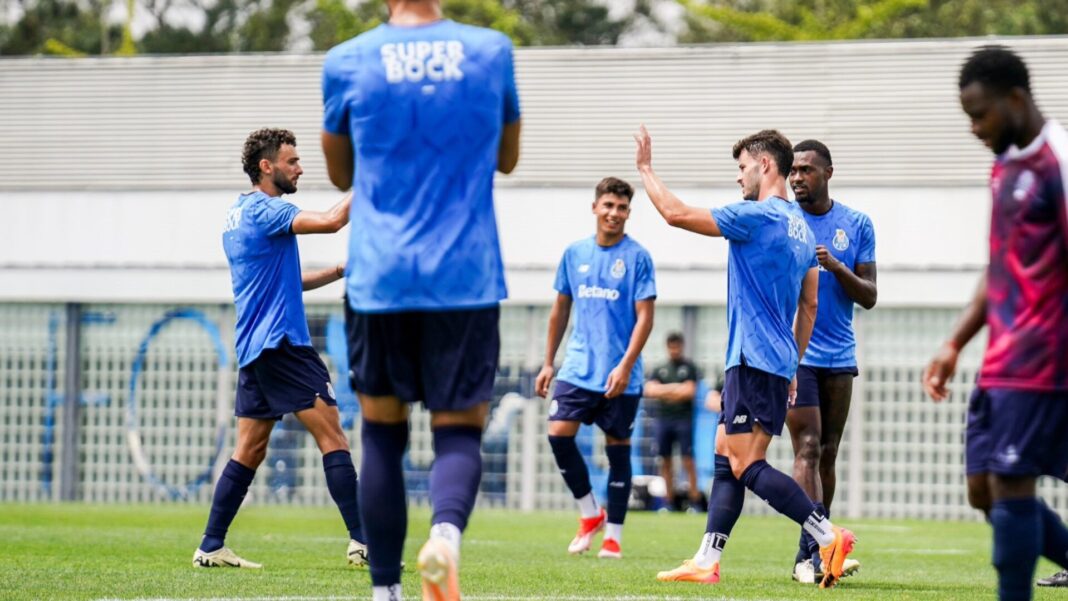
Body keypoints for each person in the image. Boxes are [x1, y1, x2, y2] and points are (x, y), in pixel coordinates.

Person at [321, 0, 521, 598]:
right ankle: (445, 538)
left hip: (380, 277)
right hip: (464, 275)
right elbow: (507, 159)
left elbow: (339, 177)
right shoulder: (490, 51)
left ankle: (386, 592)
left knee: (382, 435)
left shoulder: (346, 60)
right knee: (458, 432)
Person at [635, 126, 857, 589]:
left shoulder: (756, 216)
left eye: (742, 168)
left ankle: (825, 534)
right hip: (775, 364)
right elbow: (810, 305)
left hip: (751, 360)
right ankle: (706, 558)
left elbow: (675, 214)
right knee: (723, 454)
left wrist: (645, 171)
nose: (739, 179)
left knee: (745, 465)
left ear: (765, 165)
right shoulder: (801, 227)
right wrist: (793, 364)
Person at [923, 45, 1068, 601]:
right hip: (1001, 355)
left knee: (1011, 482)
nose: (974, 127)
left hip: (1044, 357)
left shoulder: (1057, 159)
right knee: (984, 489)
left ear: (1015, 99)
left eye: (979, 114)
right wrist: (955, 341)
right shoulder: (1004, 165)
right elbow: (1000, 263)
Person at [194, 128, 362, 570]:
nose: (300, 167)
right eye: (292, 161)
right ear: (266, 167)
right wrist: (374, 179)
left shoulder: (237, 215)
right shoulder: (268, 210)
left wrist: (341, 269)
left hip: (254, 347)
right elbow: (331, 220)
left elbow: (287, 280)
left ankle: (211, 545)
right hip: (282, 343)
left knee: (248, 449)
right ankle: (364, 542)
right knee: (333, 436)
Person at [534, 176, 656, 560]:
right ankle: (590, 513)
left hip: (621, 375)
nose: (614, 214)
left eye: (621, 208)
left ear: (628, 213)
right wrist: (548, 362)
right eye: (608, 206)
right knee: (558, 434)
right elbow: (560, 310)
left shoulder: (638, 257)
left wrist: (625, 366)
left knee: (618, 451)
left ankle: (613, 537)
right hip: (576, 367)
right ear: (595, 208)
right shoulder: (574, 253)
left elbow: (645, 318)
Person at [785, 139, 876, 584]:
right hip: (795, 355)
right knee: (804, 448)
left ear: (828, 173)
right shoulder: (782, 219)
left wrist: (837, 267)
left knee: (827, 454)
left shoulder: (856, 224)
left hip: (840, 357)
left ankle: (822, 550)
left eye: (806, 170)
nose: (797, 177)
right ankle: (810, 554)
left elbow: (871, 296)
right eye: (793, 171)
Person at [644, 332, 702, 512]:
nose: (674, 350)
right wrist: (676, 389)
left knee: (688, 460)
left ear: (682, 346)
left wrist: (665, 391)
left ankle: (694, 502)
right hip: (663, 420)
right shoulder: (660, 368)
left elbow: (689, 392)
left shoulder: (689, 367)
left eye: (677, 346)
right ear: (667, 347)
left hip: (683, 420)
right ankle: (668, 502)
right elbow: (650, 390)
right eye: (672, 346)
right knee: (665, 461)